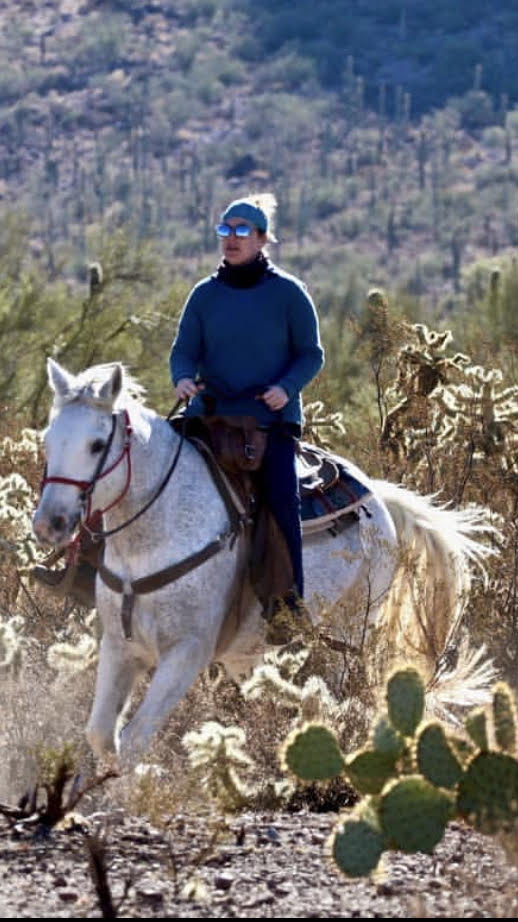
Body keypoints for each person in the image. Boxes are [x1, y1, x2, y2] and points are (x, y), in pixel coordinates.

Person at [170, 193, 324, 642]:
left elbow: (310, 354)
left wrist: (285, 389)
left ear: (262, 240)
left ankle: (287, 608)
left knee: (281, 502)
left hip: (267, 421)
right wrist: (182, 378)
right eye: (225, 230)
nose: (231, 239)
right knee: (146, 473)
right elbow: (184, 350)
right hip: (208, 415)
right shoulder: (204, 295)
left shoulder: (289, 293)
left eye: (242, 231)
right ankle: (91, 573)